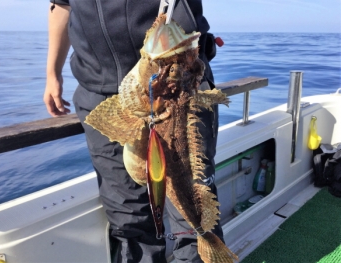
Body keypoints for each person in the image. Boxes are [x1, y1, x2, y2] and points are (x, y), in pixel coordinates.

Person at [44, 1, 224, 262]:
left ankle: (207, 248)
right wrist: (52, 73)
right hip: (99, 89)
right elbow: (61, 5)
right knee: (128, 217)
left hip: (178, 88)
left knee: (190, 212)